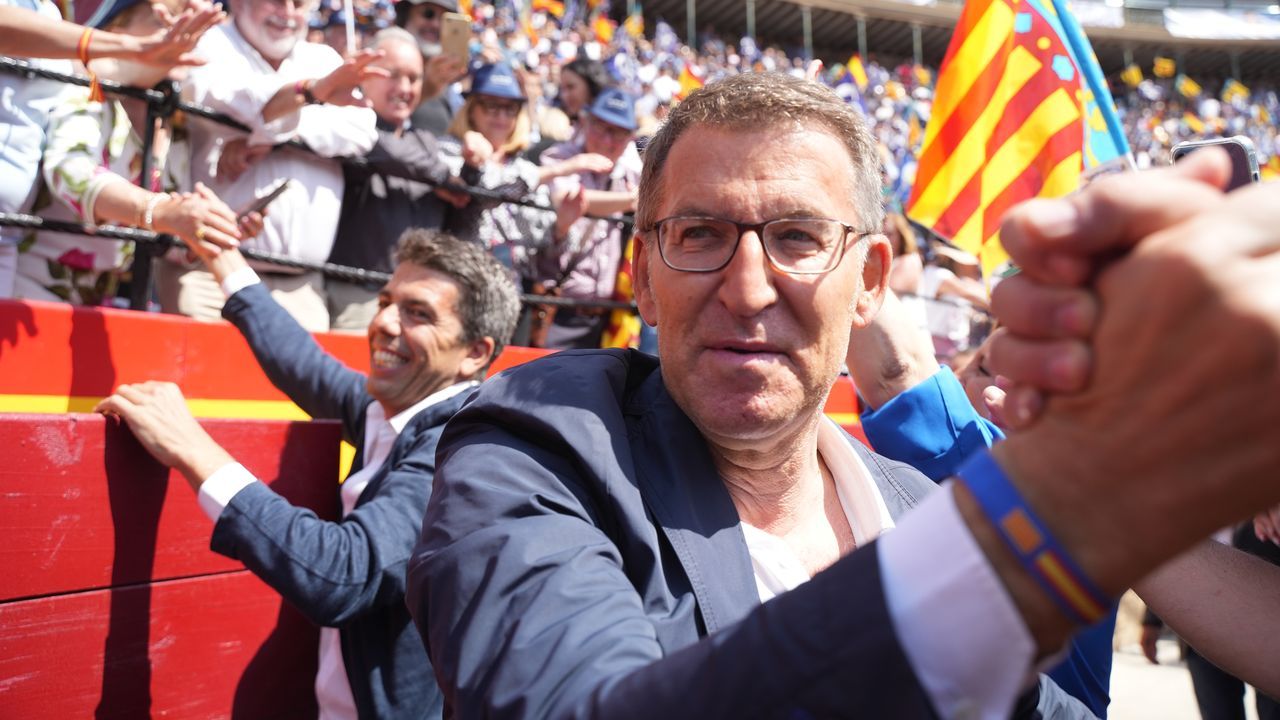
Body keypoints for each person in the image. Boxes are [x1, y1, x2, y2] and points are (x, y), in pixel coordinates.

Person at [407, 71, 1280, 719]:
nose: (747, 287)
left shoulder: (917, 503)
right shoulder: (535, 449)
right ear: (643, 273)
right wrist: (1067, 503)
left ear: (867, 282)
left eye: (795, 237)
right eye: (700, 233)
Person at [95, 228, 520, 720]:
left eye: (417, 313)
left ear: (475, 352)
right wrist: (224, 257)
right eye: (385, 302)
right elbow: (300, 362)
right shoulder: (396, 406)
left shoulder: (457, 449)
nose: (382, 323)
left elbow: (341, 574)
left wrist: (192, 449)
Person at [156, 0, 380, 331]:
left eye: (300, 4)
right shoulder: (211, 42)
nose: (288, 13)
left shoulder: (321, 58)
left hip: (300, 288)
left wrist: (270, 138)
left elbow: (361, 129)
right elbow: (232, 99)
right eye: (277, 0)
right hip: (208, 276)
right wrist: (312, 98)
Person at [15, 0, 243, 305]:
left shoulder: (174, 122)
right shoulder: (91, 90)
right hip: (31, 295)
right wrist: (158, 211)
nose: (179, 37)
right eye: (166, 22)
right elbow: (70, 174)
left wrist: (220, 228)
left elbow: (166, 240)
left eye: (191, 29)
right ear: (118, 28)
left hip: (106, 304)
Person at [326, 26, 459, 331]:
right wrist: (443, 177)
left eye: (414, 78)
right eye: (393, 75)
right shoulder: (345, 126)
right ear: (364, 74)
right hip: (357, 298)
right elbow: (380, 147)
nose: (405, 88)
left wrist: (467, 173)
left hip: (418, 303)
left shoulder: (426, 141)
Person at [537, 87, 642, 349]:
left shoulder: (630, 175)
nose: (608, 140)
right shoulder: (560, 157)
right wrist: (633, 201)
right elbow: (570, 199)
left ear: (630, 137)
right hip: (559, 310)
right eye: (601, 128)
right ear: (585, 122)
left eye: (618, 133)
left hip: (606, 316)